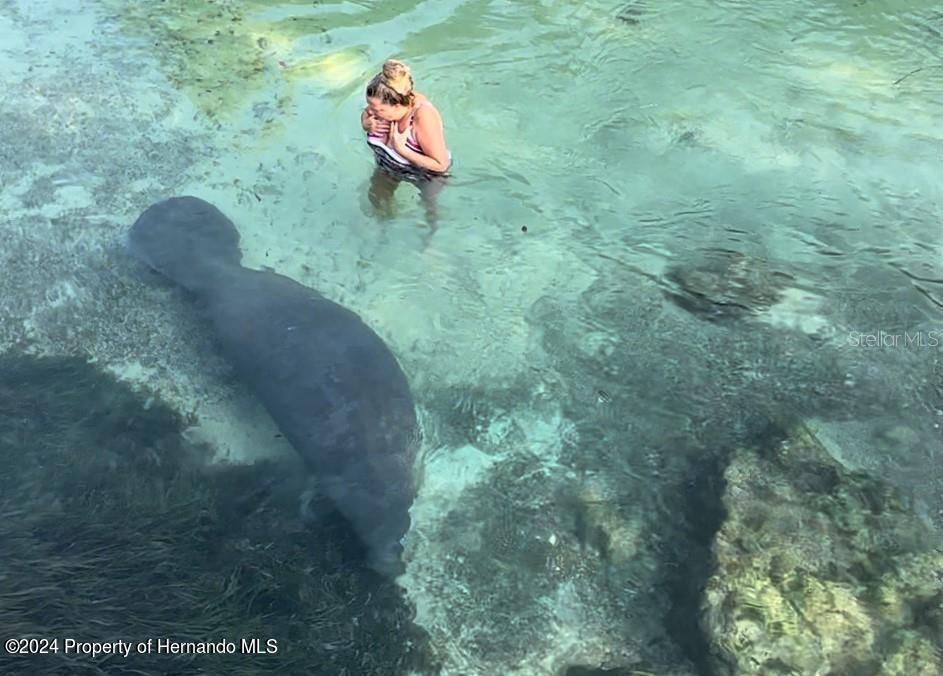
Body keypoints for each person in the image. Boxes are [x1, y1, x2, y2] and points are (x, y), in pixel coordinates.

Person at [360, 59, 451, 226]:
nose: (371, 112)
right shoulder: (380, 104)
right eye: (370, 107)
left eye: (378, 110)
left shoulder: (423, 117)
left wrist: (402, 149)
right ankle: (384, 230)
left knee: (430, 211)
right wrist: (365, 123)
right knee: (376, 199)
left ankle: (430, 241)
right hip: (389, 165)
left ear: (397, 105)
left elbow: (441, 164)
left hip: (426, 174)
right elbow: (367, 111)